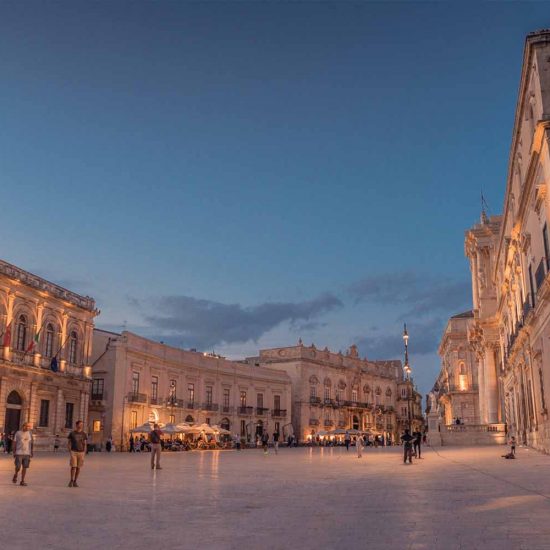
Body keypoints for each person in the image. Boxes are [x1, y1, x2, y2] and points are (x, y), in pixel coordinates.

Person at [68, 420, 88, 487]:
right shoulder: (72, 433)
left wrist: (84, 452)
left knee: (78, 467)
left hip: (81, 452)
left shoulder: (84, 434)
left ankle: (75, 481)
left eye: (82, 424)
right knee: (73, 466)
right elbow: (69, 443)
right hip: (74, 451)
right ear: (77, 425)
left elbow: (85, 444)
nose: (81, 426)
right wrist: (70, 451)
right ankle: (71, 480)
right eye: (80, 424)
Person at [12, 422, 33, 486]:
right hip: (19, 452)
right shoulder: (18, 433)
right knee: (18, 467)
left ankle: (22, 481)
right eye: (27, 426)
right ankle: (15, 474)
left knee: (25, 467)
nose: (28, 428)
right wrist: (14, 452)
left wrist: (31, 451)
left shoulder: (30, 433)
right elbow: (14, 442)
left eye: (29, 426)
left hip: (27, 453)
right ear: (23, 426)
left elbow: (31, 443)